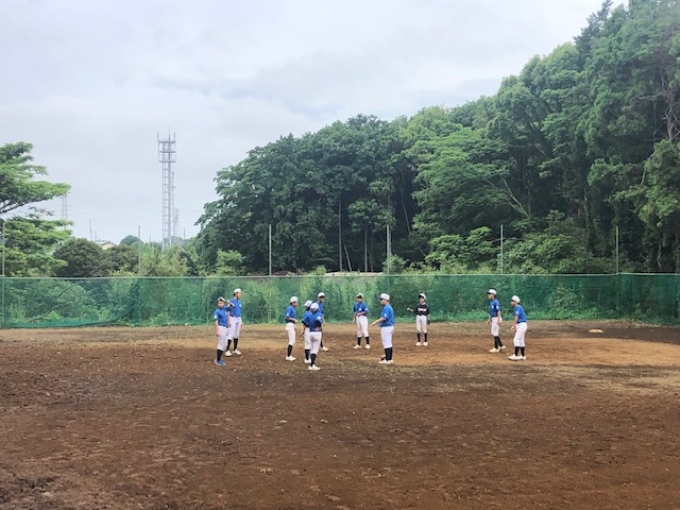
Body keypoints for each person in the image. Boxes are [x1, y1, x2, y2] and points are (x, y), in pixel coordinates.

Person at [371, 293, 395, 365]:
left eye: (381, 299)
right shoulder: (389, 307)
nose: (380, 301)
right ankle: (389, 358)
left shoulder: (386, 308)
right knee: (389, 343)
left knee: (386, 343)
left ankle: (387, 360)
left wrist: (375, 322)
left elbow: (384, 317)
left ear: (386, 300)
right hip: (389, 326)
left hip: (386, 327)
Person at [305, 302, 324, 371]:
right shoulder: (319, 314)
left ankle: (311, 362)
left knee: (311, 348)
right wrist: (318, 327)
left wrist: (310, 325)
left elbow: (304, 321)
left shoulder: (309, 314)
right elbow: (318, 321)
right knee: (315, 350)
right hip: (317, 333)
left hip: (310, 332)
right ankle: (312, 365)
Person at [225, 288, 243, 357]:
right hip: (232, 318)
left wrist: (241, 321)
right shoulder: (231, 301)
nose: (240, 294)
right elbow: (227, 310)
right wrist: (228, 320)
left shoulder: (239, 302)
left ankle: (235, 349)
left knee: (237, 334)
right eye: (239, 293)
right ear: (236, 294)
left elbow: (239, 312)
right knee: (231, 334)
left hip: (238, 318)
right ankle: (227, 350)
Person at [509, 295, 527, 361]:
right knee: (521, 340)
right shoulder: (517, 307)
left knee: (516, 339)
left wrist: (514, 325)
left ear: (516, 302)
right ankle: (523, 356)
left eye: (513, 301)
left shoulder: (518, 307)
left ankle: (516, 355)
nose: (511, 302)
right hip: (521, 325)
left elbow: (516, 317)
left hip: (521, 324)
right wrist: (516, 326)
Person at [213, 297, 230, 366]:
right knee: (221, 344)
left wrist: (228, 302)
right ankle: (218, 359)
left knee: (225, 344)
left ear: (224, 303)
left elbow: (232, 306)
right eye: (219, 303)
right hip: (221, 327)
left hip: (226, 328)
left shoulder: (225, 309)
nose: (220, 304)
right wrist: (217, 330)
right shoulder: (217, 311)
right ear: (217, 304)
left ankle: (219, 358)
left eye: (222, 303)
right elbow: (216, 321)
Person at [284, 296, 298, 361]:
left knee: (292, 341)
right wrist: (293, 319)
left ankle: (289, 355)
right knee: (292, 341)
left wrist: (294, 325)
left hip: (291, 325)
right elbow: (287, 317)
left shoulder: (293, 309)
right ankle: (288, 356)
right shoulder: (290, 308)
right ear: (293, 303)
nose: (297, 303)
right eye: (296, 302)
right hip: (290, 325)